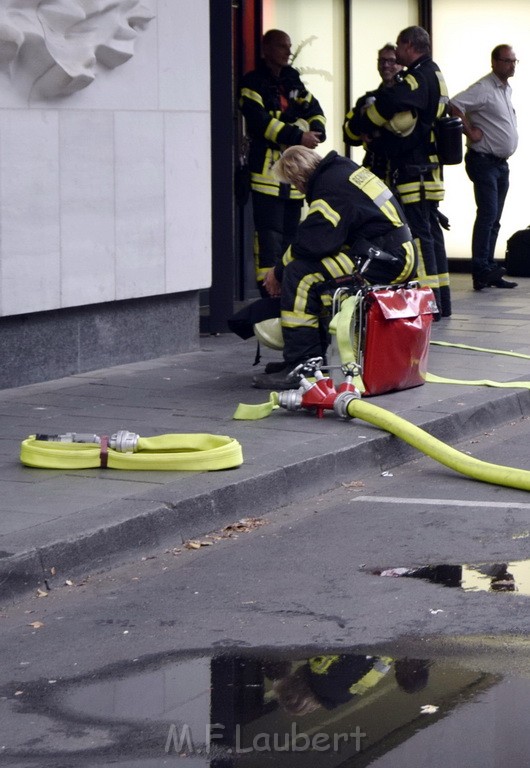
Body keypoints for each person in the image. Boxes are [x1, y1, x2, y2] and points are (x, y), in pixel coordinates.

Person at [251, 146, 418, 390]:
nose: (297, 190)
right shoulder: (341, 171)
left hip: (384, 259)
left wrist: (278, 271)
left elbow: (312, 241)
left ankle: (302, 367)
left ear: (298, 178)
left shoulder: (329, 188)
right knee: (313, 273)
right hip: (388, 253)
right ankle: (308, 358)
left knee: (302, 276)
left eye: (294, 184)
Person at [357, 26, 451, 318]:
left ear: (410, 46)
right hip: (426, 173)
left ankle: (430, 302)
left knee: (420, 239)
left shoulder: (418, 76)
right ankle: (441, 300)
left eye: (398, 47)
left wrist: (367, 124)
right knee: (432, 235)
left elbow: (393, 101)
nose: (395, 54)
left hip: (415, 175)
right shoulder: (433, 73)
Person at [238, 29, 327, 297]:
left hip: (292, 177)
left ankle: (288, 285)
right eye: (282, 46)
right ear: (266, 50)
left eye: (289, 46)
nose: (288, 52)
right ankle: (268, 291)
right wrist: (298, 134)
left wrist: (314, 132)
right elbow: (260, 122)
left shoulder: (292, 81)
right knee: (269, 236)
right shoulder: (252, 83)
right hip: (266, 176)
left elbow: (316, 112)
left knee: (291, 235)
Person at [450, 45, 519, 291]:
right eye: (507, 61)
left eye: (514, 61)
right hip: (484, 161)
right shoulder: (484, 88)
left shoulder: (505, 89)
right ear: (494, 62)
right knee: (488, 214)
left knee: (495, 218)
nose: (512, 65)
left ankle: (489, 270)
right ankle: (480, 269)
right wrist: (469, 131)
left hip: (500, 164)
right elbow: (454, 104)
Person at [343, 43, 403, 181]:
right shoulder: (367, 100)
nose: (386, 65)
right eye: (382, 61)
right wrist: (362, 120)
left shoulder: (409, 97)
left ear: (401, 65)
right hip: (373, 171)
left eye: (391, 61)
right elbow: (347, 135)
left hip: (401, 173)